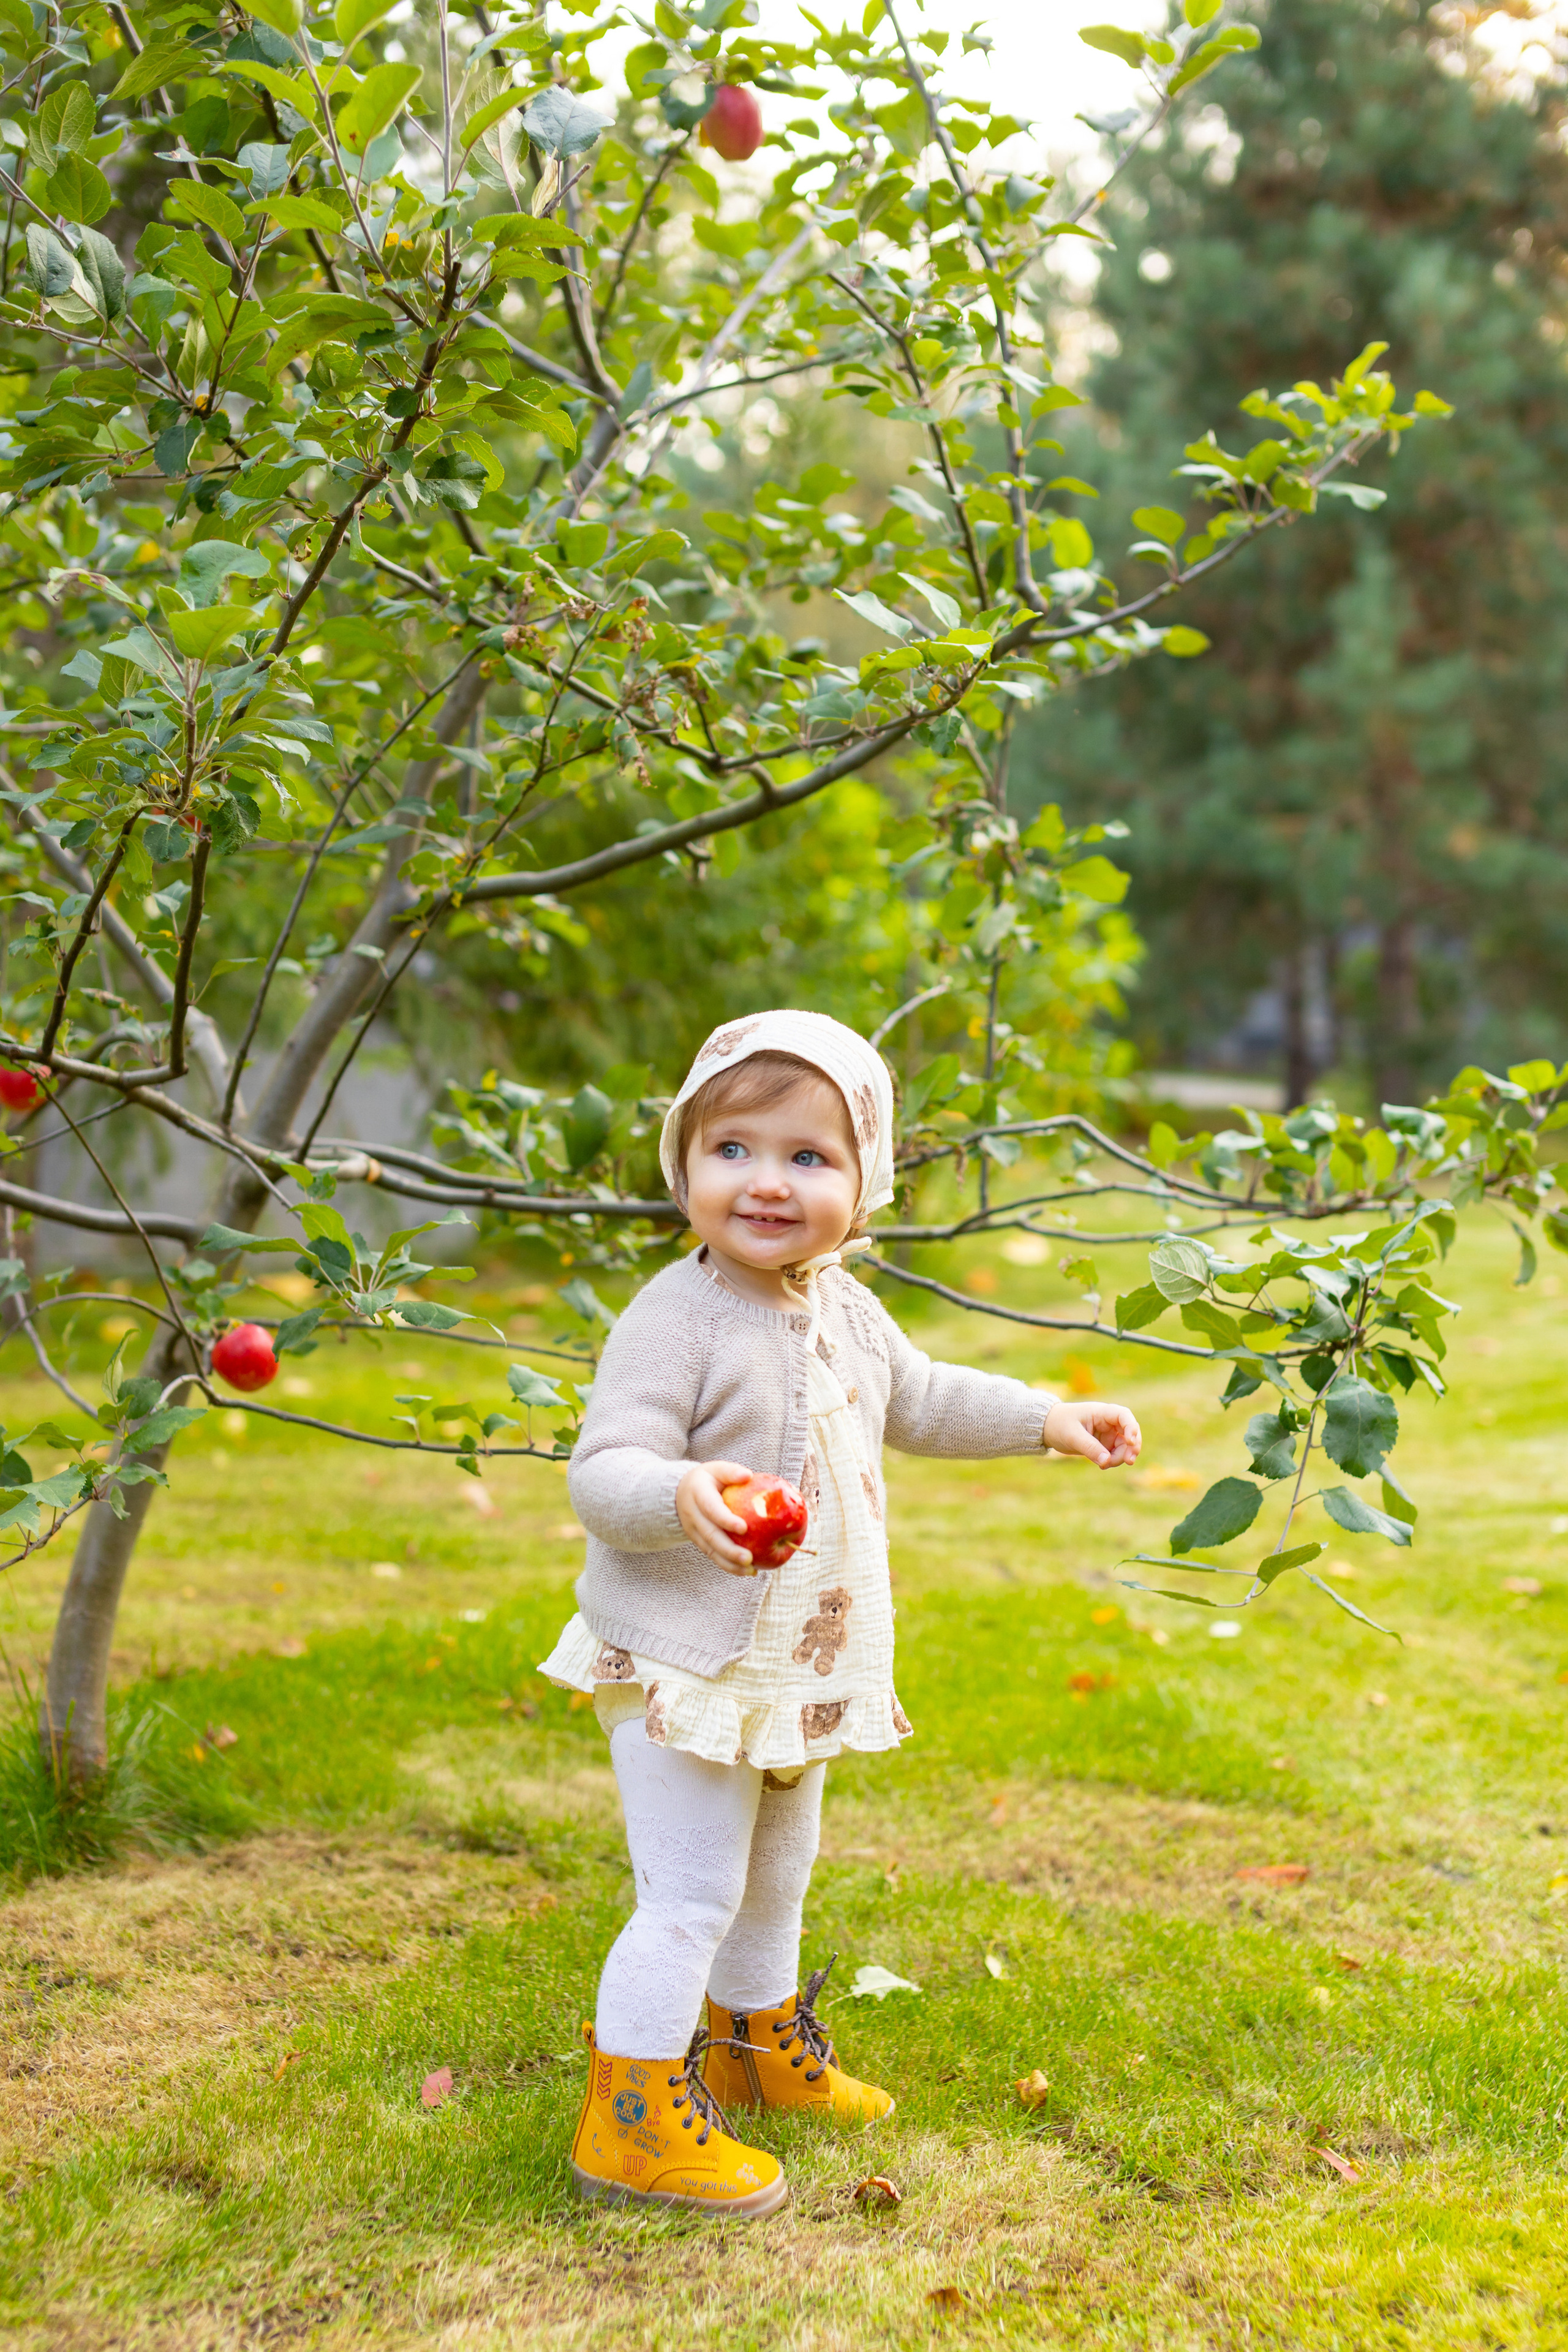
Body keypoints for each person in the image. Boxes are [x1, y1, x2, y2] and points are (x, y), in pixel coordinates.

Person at [540, 1009, 1142, 2216]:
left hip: (790, 1666)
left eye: (809, 1158)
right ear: (684, 1164)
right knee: (691, 1894)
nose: (766, 1182)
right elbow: (601, 1467)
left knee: (777, 1876)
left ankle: (756, 2051)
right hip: (685, 1663)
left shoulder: (844, 1307)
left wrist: (1039, 1418)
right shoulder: (681, 1313)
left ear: (862, 1184)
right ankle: (632, 2121)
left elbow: (918, 1399)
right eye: (733, 1150)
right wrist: (679, 1491)